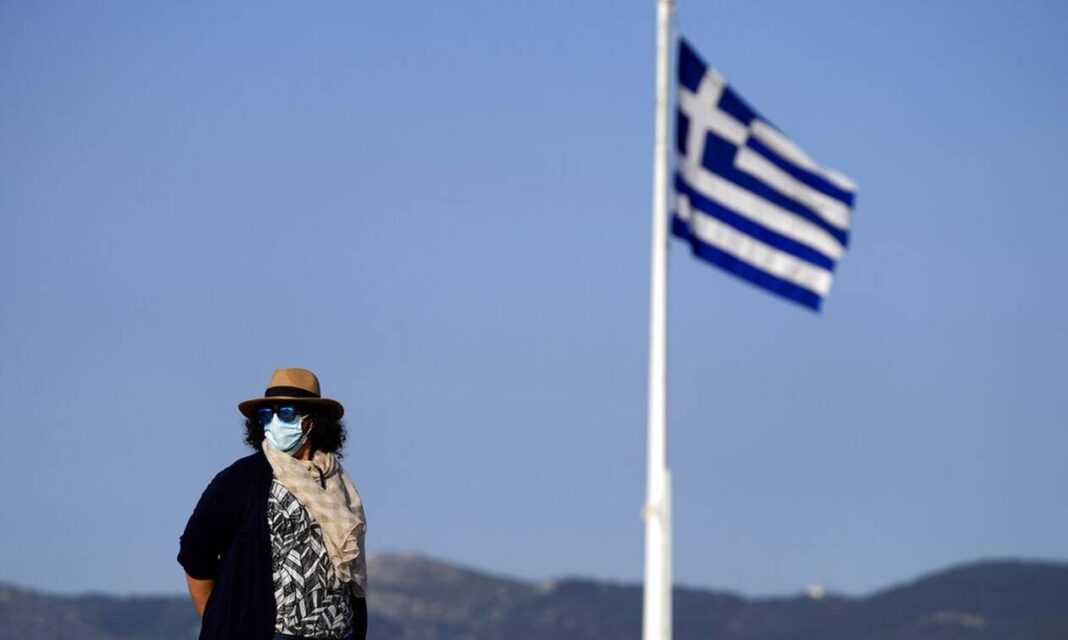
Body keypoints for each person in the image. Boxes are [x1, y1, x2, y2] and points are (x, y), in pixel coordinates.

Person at [178, 367, 368, 640]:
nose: (275, 422)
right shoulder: (242, 478)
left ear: (311, 422)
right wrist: (220, 622)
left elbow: (352, 575)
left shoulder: (338, 484)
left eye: (286, 413)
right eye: (267, 414)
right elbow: (195, 553)